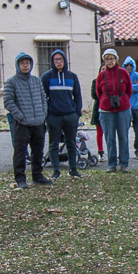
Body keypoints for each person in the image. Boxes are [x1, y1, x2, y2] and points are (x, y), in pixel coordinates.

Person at [3, 53, 52, 188]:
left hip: (38, 123)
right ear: (18, 65)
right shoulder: (11, 82)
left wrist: (43, 114)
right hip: (22, 124)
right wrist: (21, 117)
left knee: (38, 152)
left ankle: (37, 175)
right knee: (20, 152)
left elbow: (43, 98)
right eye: (23, 63)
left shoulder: (36, 81)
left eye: (28, 63)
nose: (25, 65)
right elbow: (8, 102)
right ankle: (21, 179)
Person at [41, 49, 83, 179]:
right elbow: (42, 97)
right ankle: (56, 171)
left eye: (61, 59)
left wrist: (76, 113)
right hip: (54, 116)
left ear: (65, 60)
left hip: (70, 116)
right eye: (56, 60)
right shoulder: (47, 77)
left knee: (71, 143)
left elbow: (77, 96)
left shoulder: (72, 76)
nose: (58, 62)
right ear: (52, 62)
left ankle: (73, 169)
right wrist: (47, 115)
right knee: (53, 144)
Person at [96, 49, 133, 172]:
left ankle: (124, 163)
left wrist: (123, 100)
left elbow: (129, 90)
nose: (109, 61)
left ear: (116, 59)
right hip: (107, 110)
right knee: (110, 137)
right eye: (107, 59)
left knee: (123, 136)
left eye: (111, 58)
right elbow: (98, 92)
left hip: (123, 109)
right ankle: (111, 164)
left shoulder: (123, 73)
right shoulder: (101, 75)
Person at [124, 56, 138, 159]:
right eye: (126, 65)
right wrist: (130, 87)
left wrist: (128, 87)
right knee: (123, 131)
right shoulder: (122, 76)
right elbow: (121, 88)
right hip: (126, 107)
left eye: (130, 65)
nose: (128, 67)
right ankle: (124, 151)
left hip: (136, 107)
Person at [90, 76, 104, 159]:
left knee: (110, 133)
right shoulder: (95, 81)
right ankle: (100, 151)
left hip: (110, 108)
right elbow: (94, 95)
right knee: (99, 132)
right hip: (98, 108)